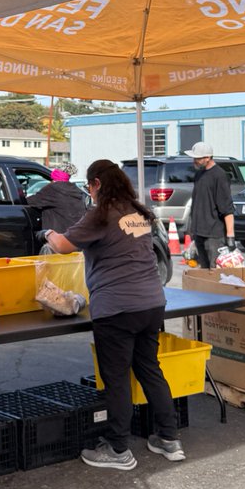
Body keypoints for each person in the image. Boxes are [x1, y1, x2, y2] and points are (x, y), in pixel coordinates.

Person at [46, 159, 184, 471]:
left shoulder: (101, 214)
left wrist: (48, 233)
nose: (89, 191)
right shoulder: (137, 212)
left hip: (117, 307)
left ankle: (118, 449)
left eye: (89, 185)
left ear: (96, 183)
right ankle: (169, 438)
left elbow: (62, 246)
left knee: (117, 378)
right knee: (150, 369)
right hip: (151, 303)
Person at [185, 142, 236, 269]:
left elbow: (227, 208)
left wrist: (230, 236)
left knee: (215, 271)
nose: (194, 161)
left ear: (207, 157)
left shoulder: (219, 176)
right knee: (203, 271)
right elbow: (197, 203)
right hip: (199, 233)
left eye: (197, 158)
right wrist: (192, 230)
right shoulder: (199, 174)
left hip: (214, 235)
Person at [27, 168, 88, 249]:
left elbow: (31, 201)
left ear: (54, 179)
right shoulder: (76, 190)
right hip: (76, 238)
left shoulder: (53, 189)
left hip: (58, 240)